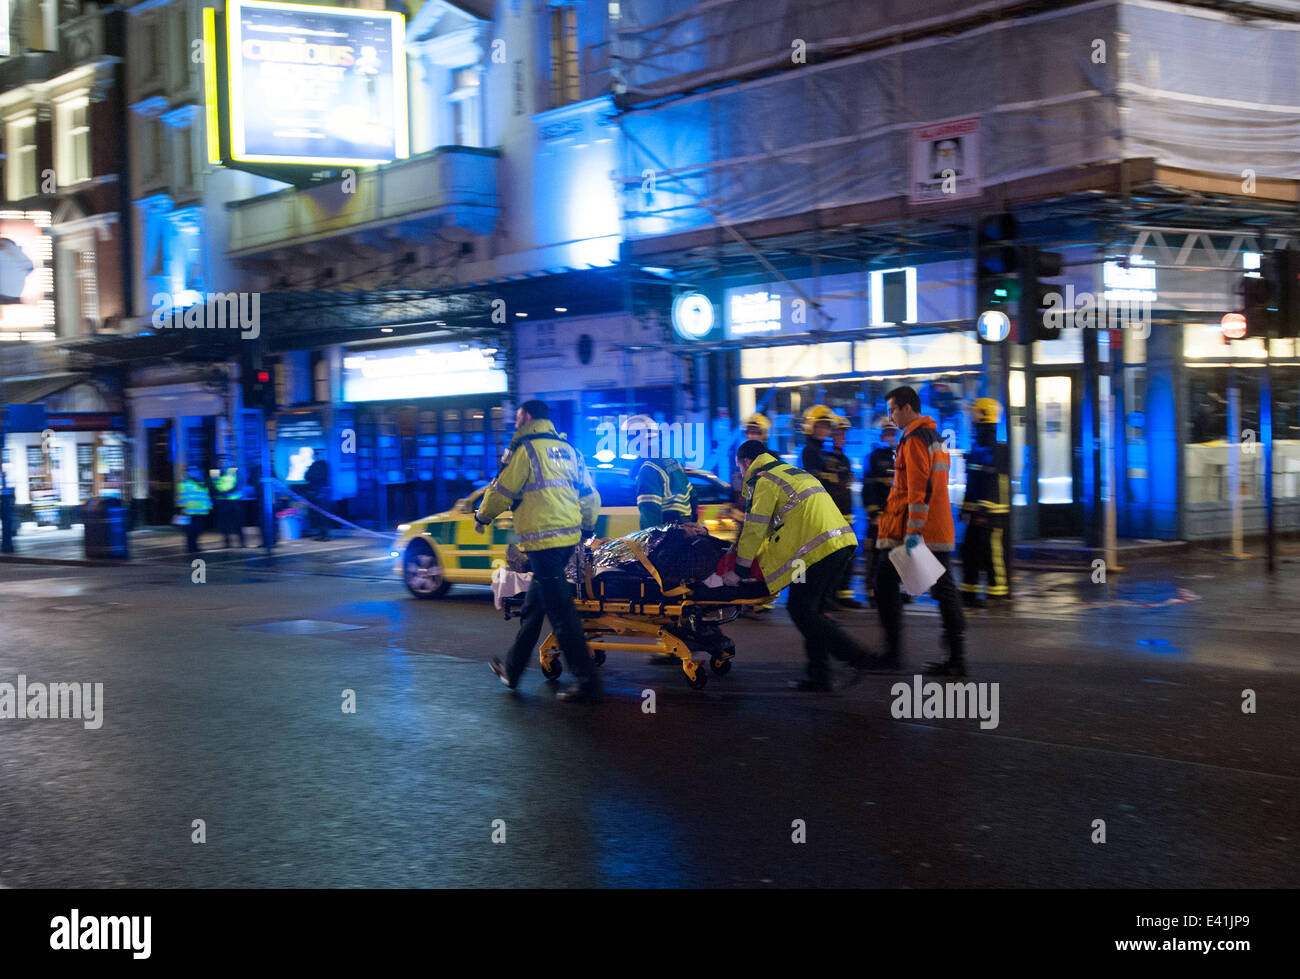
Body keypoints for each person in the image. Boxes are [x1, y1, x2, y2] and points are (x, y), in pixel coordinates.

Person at [483, 399, 603, 703]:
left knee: (561, 613)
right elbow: (589, 493)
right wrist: (587, 528)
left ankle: (587, 680)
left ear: (526, 417)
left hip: (543, 543)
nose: (514, 424)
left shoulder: (526, 450)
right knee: (534, 608)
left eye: (517, 417)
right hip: (566, 540)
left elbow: (502, 491)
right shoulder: (569, 450)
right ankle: (512, 669)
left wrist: (482, 515)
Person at [732, 439, 872, 691]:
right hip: (839, 543)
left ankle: (857, 657)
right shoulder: (791, 472)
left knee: (802, 610)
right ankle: (819, 675)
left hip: (815, 552)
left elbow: (755, 528)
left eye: (740, 468)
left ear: (746, 462)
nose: (742, 475)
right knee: (812, 611)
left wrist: (740, 568)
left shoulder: (764, 480)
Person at [870, 385, 966, 677]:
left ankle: (893, 653)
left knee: (884, 584)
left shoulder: (913, 440)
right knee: (944, 590)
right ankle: (956, 657)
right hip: (937, 529)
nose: (890, 417)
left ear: (907, 408)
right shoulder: (935, 437)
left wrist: (913, 532)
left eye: (893, 410)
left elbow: (918, 489)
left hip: (914, 532)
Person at [960, 398, 1011, 607]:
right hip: (976, 513)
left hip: (991, 514)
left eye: (975, 415)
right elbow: (971, 481)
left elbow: (992, 482)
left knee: (992, 554)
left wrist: (983, 510)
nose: (971, 420)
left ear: (983, 416)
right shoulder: (977, 446)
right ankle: (968, 592)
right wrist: (965, 507)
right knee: (969, 553)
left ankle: (997, 592)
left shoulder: (996, 449)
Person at [827, 415, 863, 609]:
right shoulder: (827, 459)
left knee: (848, 556)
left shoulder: (845, 460)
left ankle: (844, 594)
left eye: (844, 434)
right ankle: (832, 595)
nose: (842, 437)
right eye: (838, 433)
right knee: (835, 558)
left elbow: (846, 489)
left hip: (846, 516)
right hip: (833, 518)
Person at [862, 421, 898, 607]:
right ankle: (872, 591)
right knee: (875, 555)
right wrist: (874, 512)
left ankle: (891, 590)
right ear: (881, 435)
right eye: (887, 433)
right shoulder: (873, 458)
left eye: (892, 433)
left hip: (895, 515)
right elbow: (868, 488)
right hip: (879, 516)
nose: (890, 436)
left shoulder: (897, 456)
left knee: (894, 554)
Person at [635, 456, 696, 528]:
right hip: (685, 521)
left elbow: (649, 505)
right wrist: (692, 520)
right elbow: (692, 494)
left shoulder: (649, 468)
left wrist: (650, 533)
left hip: (668, 524)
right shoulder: (673, 462)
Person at [209, 456, 245, 548]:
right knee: (224, 524)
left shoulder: (233, 471)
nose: (223, 463)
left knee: (238, 523)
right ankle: (227, 543)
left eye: (225, 461)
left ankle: (242, 543)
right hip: (222, 502)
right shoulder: (215, 473)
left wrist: (229, 493)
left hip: (234, 501)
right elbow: (212, 486)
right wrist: (221, 493)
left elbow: (239, 484)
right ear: (218, 463)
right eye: (221, 461)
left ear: (230, 462)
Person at [176, 465, 212, 554]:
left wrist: (209, 507)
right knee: (190, 531)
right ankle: (191, 547)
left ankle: (195, 546)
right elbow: (181, 498)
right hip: (189, 511)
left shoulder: (202, 483)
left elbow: (206, 496)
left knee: (198, 530)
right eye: (191, 471)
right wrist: (181, 509)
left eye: (196, 471)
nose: (195, 473)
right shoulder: (184, 484)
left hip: (201, 511)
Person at [304, 449, 332, 541]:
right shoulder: (322, 465)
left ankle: (324, 535)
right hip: (318, 492)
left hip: (319, 492)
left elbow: (308, 476)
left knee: (322, 515)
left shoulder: (320, 465)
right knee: (320, 515)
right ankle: (323, 534)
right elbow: (307, 476)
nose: (316, 456)